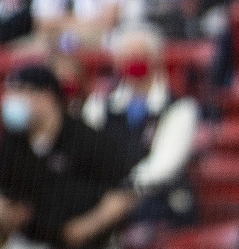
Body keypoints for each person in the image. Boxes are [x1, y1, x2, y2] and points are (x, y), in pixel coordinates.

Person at [0, 64, 137, 249]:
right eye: (11, 92)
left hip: (94, 246)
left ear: (47, 97)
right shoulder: (11, 142)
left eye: (20, 91)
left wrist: (89, 225)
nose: (11, 100)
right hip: (32, 243)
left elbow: (123, 194)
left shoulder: (87, 138)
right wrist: (2, 210)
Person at [79, 26, 198, 230]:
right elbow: (85, 151)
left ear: (155, 59)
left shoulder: (179, 107)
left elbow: (164, 165)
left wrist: (126, 189)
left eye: (140, 56)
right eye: (127, 57)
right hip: (104, 194)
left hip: (155, 200)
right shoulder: (99, 104)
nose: (133, 62)